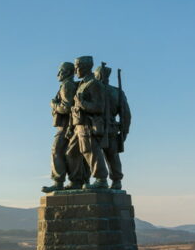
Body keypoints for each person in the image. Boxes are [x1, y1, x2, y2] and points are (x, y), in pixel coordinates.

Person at [43, 62, 85, 192]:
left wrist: (54, 105)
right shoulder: (69, 85)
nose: (57, 75)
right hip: (71, 126)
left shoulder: (66, 86)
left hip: (67, 126)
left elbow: (67, 108)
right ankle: (75, 181)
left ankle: (59, 182)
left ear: (67, 72)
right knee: (71, 154)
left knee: (57, 151)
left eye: (60, 71)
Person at [70, 55, 109, 189]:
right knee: (71, 153)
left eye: (77, 68)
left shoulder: (94, 84)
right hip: (78, 125)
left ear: (85, 67)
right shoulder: (82, 84)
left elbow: (99, 107)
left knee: (91, 151)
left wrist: (82, 103)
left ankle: (101, 179)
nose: (75, 71)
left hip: (88, 124)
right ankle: (77, 180)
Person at [94, 65, 131, 190]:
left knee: (96, 155)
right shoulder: (117, 92)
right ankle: (116, 181)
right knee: (112, 156)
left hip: (96, 129)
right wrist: (124, 132)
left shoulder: (95, 90)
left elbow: (126, 115)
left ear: (98, 75)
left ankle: (102, 180)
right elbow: (126, 116)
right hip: (112, 129)